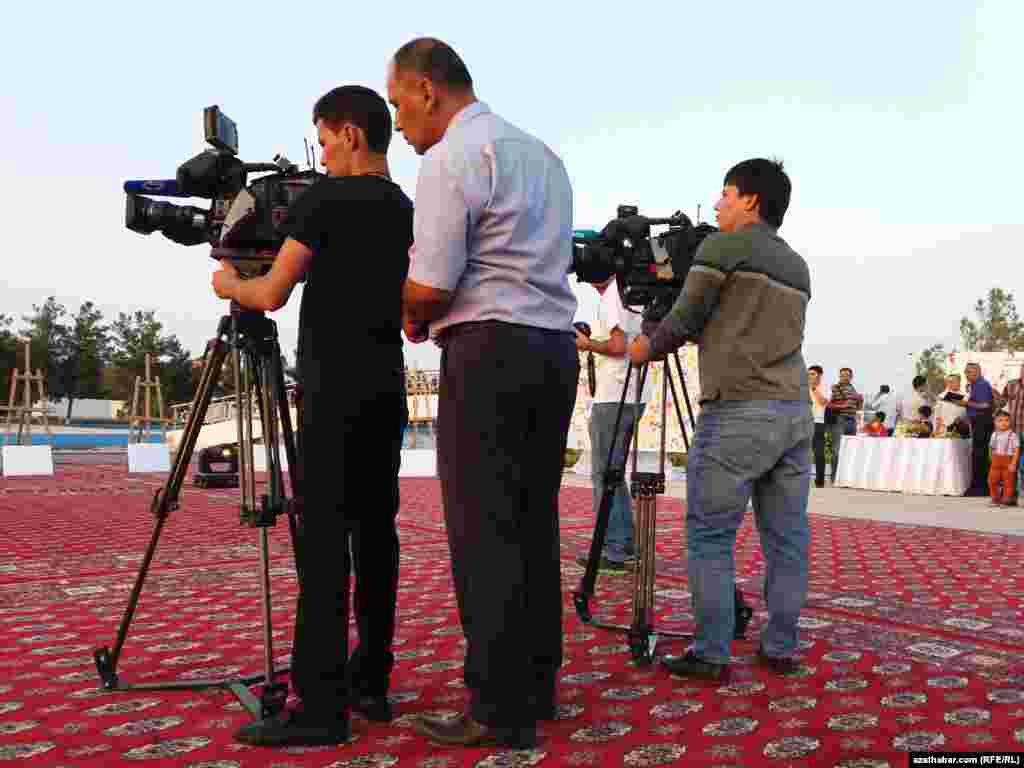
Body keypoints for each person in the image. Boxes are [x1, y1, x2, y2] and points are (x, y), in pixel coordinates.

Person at [390, 38, 578, 749]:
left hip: (489, 351)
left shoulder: (449, 159)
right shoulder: (543, 156)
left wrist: (408, 311)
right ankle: (536, 685)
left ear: (427, 89)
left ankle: (498, 705)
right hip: (553, 350)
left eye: (398, 103)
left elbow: (432, 283)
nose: (399, 121)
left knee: (483, 530)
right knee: (532, 522)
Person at [213, 85, 413, 747]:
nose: (322, 156)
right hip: (386, 391)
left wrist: (229, 284)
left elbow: (271, 293)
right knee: (376, 534)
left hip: (331, 393)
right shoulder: (406, 208)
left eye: (325, 142)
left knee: (325, 543)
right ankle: (373, 680)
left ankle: (319, 704)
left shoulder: (326, 200)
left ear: (351, 135)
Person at [628, 158, 811, 680]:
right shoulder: (798, 265)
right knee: (787, 539)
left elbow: (683, 320)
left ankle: (711, 653)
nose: (717, 204)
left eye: (726, 194)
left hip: (737, 409)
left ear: (750, 200)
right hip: (794, 412)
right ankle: (780, 648)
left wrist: (645, 348)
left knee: (710, 536)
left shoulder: (723, 248)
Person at [575, 276, 652, 572]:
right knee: (613, 473)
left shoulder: (613, 295)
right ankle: (623, 544)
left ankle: (615, 548)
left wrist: (587, 343)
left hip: (615, 396)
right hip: (633, 393)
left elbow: (618, 346)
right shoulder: (634, 292)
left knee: (605, 474)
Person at [964, 362, 995, 497]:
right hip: (977, 422)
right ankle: (980, 486)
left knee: (980, 455)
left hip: (982, 422)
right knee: (978, 455)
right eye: (966, 372)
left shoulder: (982, 385)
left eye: (969, 372)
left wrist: (966, 403)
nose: (966, 375)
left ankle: (981, 488)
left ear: (977, 372)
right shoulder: (974, 386)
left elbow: (985, 405)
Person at [828, 368, 862, 482]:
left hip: (852, 420)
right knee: (837, 450)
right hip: (840, 420)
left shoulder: (853, 389)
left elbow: (857, 407)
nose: (844, 377)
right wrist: (843, 405)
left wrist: (860, 400)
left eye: (847, 375)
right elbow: (830, 404)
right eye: (842, 375)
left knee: (850, 449)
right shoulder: (835, 387)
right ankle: (834, 477)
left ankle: (845, 477)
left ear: (851, 377)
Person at [997, 364, 1024, 506]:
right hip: (1013, 432)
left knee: (1022, 466)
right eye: (1023, 369)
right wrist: (996, 398)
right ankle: (1010, 496)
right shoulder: (1012, 384)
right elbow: (1002, 401)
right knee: (1009, 465)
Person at [988, 410, 1019, 506]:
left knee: (1008, 482)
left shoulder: (1013, 435)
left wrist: (1013, 463)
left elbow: (1016, 450)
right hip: (996, 461)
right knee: (992, 480)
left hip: (1008, 461)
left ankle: (1007, 499)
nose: (1003, 423)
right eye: (1000, 420)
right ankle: (995, 498)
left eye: (1006, 420)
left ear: (1010, 422)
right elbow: (991, 448)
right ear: (995, 423)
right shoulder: (994, 435)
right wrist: (991, 460)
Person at [808, 365, 829, 487]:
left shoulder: (824, 388)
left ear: (819, 375)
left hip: (818, 422)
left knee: (819, 452)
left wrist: (814, 389)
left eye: (812, 374)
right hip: (804, 421)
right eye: (808, 374)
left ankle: (820, 480)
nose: (809, 376)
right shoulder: (803, 387)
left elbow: (823, 402)